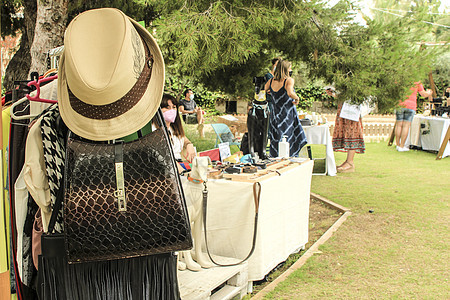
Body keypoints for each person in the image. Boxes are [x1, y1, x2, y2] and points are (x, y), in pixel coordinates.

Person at [264, 59, 307, 157]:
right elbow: (290, 93)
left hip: (275, 114)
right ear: (286, 68)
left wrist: (269, 92)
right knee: (288, 137)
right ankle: (289, 157)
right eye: (290, 67)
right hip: (286, 114)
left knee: (276, 137)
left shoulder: (271, 81)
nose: (291, 69)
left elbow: (262, 90)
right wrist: (297, 98)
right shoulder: (289, 80)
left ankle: (276, 157)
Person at [331, 88, 365, 173]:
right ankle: (348, 161)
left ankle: (350, 162)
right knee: (346, 130)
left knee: (352, 131)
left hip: (352, 108)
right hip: (345, 107)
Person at [158, 94, 196, 169]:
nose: (171, 110)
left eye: (174, 107)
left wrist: (189, 144)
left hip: (180, 164)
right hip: (168, 168)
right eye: (167, 108)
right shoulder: (154, 130)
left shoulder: (173, 128)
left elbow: (184, 138)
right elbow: (162, 158)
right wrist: (182, 171)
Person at [395, 82, 432, 152]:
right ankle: (402, 146)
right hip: (411, 106)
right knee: (406, 126)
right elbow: (423, 94)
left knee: (399, 125)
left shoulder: (400, 78)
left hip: (400, 104)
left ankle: (397, 144)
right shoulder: (417, 81)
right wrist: (429, 92)